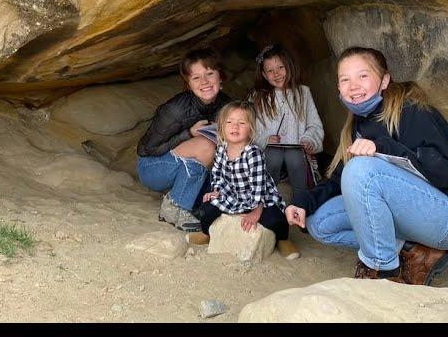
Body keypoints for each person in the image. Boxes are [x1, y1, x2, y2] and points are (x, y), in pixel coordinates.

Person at [285, 46, 448, 285]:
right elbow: (341, 179)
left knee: (361, 169)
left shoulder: (411, 111)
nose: (353, 86)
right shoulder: (356, 127)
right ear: (338, 88)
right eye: (345, 79)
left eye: (363, 76)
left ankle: (382, 270)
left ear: (384, 80)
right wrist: (302, 201)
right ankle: (413, 250)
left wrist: (382, 148)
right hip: (416, 217)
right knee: (319, 223)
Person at [187, 101, 299, 260]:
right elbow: (217, 173)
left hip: (258, 198)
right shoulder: (221, 149)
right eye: (229, 122)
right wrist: (216, 191)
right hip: (231, 196)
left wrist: (256, 211)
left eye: (241, 123)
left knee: (275, 218)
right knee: (206, 208)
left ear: (251, 129)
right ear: (222, 127)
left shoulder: (253, 153)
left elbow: (258, 184)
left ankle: (283, 239)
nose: (235, 127)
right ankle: (206, 233)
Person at [137, 48, 231, 232]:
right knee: (205, 146)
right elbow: (146, 150)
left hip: (188, 166)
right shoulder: (176, 109)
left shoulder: (226, 105)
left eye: (210, 74)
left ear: (221, 77)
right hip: (153, 168)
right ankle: (175, 207)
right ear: (188, 84)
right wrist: (188, 134)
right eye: (196, 78)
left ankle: (187, 203)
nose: (204, 82)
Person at [251, 43, 325, 196]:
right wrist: (265, 139)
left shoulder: (303, 92)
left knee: (294, 154)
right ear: (264, 75)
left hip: (297, 156)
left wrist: (309, 140)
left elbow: (314, 125)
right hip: (269, 157)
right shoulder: (257, 98)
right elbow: (249, 130)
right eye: (270, 71)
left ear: (289, 67)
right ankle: (265, 197)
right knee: (275, 154)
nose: (276, 74)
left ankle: (302, 200)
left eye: (280, 68)